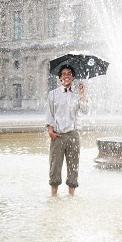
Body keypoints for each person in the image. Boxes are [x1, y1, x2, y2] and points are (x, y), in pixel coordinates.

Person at [46, 64, 89, 196]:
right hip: (57, 136)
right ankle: (54, 196)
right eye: (63, 74)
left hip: (72, 135)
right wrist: (50, 131)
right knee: (55, 167)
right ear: (60, 78)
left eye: (69, 73)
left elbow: (85, 110)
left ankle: (71, 196)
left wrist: (82, 94)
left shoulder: (77, 94)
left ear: (73, 77)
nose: (66, 76)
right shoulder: (53, 94)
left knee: (73, 167)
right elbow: (50, 114)